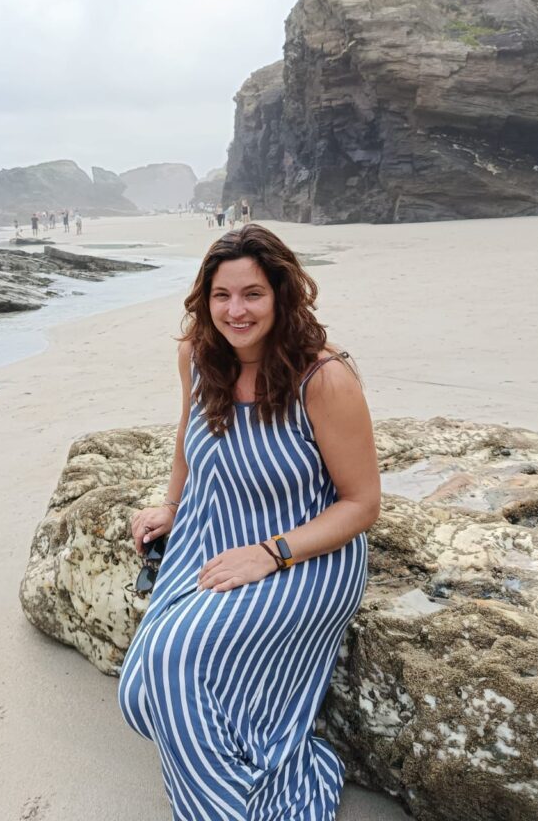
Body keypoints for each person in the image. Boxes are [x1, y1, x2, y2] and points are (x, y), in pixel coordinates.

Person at [118, 223, 379, 820]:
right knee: (139, 694)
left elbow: (361, 505)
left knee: (172, 661)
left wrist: (271, 553)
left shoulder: (324, 378)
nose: (235, 310)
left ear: (282, 295)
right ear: (204, 299)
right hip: (212, 528)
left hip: (308, 551)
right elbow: (189, 437)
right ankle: (262, 759)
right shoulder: (196, 356)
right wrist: (172, 505)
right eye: (222, 295)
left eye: (253, 294)